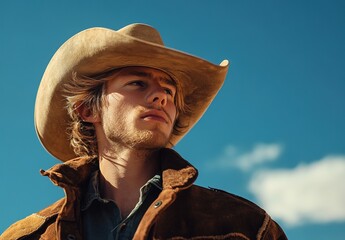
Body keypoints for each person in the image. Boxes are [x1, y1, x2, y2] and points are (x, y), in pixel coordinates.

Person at [1, 23, 287, 240]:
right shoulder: (27, 236)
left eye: (168, 90)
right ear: (88, 111)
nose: (160, 97)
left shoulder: (243, 227)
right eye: (138, 83)